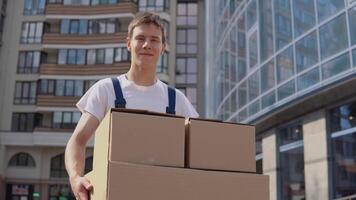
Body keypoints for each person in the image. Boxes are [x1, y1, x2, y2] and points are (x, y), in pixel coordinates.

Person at [65, 12, 199, 200]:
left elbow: (198, 148)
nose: (147, 45)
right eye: (140, 38)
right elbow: (77, 141)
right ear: (128, 43)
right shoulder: (106, 90)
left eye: (154, 40)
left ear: (163, 48)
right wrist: (75, 177)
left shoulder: (176, 100)